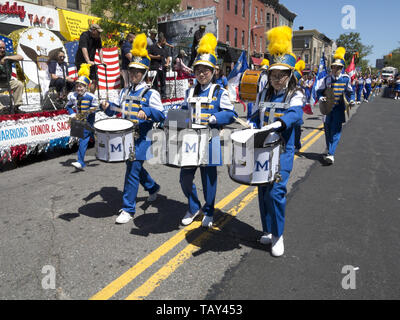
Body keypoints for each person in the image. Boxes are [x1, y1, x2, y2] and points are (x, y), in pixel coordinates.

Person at [248, 26, 305, 257]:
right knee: (262, 192)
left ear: (289, 75)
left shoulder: (295, 94)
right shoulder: (263, 94)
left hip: (282, 151)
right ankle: (268, 230)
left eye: (281, 75)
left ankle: (278, 235)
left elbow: (295, 115)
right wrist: (252, 124)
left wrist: (278, 124)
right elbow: (255, 115)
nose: (276, 79)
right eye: (273, 74)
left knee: (276, 193)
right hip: (262, 150)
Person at [100, 34, 165, 224]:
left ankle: (128, 208)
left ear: (144, 73)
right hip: (126, 138)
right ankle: (152, 188)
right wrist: (107, 106)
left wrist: (147, 111)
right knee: (133, 167)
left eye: (137, 71)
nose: (133, 74)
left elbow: (162, 115)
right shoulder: (124, 91)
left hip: (143, 137)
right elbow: (115, 112)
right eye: (131, 71)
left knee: (132, 170)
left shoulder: (150, 92)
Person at [179, 33, 237, 228]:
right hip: (190, 141)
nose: (201, 73)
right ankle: (194, 206)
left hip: (210, 139)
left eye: (205, 70)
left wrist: (215, 118)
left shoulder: (220, 92)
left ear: (213, 72)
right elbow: (182, 111)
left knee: (208, 179)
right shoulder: (189, 92)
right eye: (198, 70)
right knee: (185, 178)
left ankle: (209, 211)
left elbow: (230, 114)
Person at [316, 47, 355, 165]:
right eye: (334, 67)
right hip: (327, 109)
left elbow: (351, 92)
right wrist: (320, 98)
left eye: (338, 67)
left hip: (338, 109)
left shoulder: (345, 79)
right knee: (327, 131)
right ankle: (329, 150)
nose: (336, 69)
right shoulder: (326, 78)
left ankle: (331, 153)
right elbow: (319, 91)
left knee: (335, 131)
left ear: (342, 68)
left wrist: (352, 100)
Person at [66, 64, 99, 170]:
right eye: (77, 86)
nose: (78, 88)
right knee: (88, 138)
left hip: (88, 121)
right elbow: (68, 106)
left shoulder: (91, 97)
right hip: (79, 121)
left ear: (86, 87)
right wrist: (72, 113)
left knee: (84, 138)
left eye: (81, 86)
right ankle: (101, 151)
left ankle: (81, 161)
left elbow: (95, 109)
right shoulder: (73, 96)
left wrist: (86, 113)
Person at [74, 24, 105, 93]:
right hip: (81, 62)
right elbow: (84, 48)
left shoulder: (97, 38)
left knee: (95, 80)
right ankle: (81, 96)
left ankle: (91, 96)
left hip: (91, 61)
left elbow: (100, 49)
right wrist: (88, 60)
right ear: (93, 31)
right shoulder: (84, 35)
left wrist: (102, 61)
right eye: (98, 32)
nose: (99, 33)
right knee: (82, 80)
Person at [0, 40, 24, 113]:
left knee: (19, 84)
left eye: (4, 48)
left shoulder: (6, 55)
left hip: (7, 81)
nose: (2, 50)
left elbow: (20, 57)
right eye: (0, 48)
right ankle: (1, 109)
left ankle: (16, 107)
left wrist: (7, 58)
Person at [148, 35, 168, 99]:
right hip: (155, 66)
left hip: (163, 66)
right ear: (161, 41)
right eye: (164, 41)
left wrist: (167, 63)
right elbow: (149, 55)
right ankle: (155, 95)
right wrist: (156, 57)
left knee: (163, 81)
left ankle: (163, 95)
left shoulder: (164, 48)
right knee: (155, 81)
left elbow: (167, 56)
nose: (165, 43)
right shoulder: (152, 47)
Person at [294, 60, 306, 152]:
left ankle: (297, 146)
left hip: (297, 115)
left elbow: (303, 103)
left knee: (297, 132)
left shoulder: (300, 91)